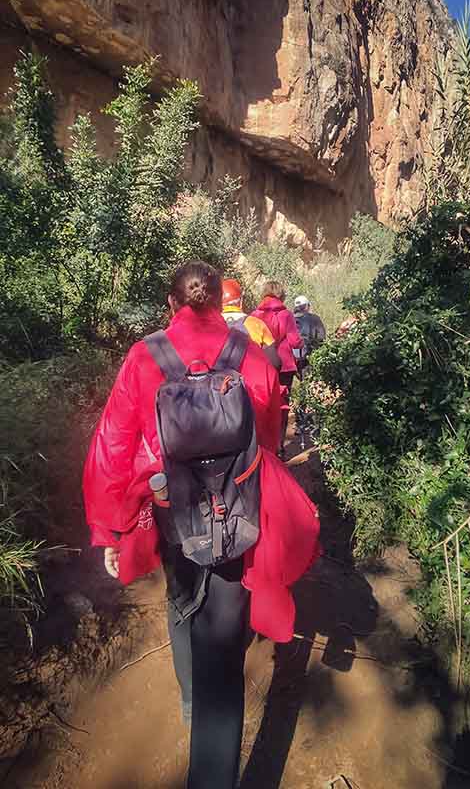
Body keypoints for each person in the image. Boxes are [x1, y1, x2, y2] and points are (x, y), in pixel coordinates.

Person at [83, 262, 282, 789]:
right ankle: (215, 753)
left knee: (182, 601)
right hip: (236, 510)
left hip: (172, 511)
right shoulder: (248, 353)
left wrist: (112, 528)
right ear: (220, 301)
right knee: (227, 623)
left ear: (171, 304)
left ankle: (193, 703)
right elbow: (268, 432)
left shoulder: (144, 356)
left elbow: (113, 444)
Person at [251, 281, 303, 457]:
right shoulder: (287, 315)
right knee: (282, 405)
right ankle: (279, 446)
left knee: (262, 402)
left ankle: (262, 446)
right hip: (285, 365)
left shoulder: (255, 315)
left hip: (262, 364)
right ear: (281, 295)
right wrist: (301, 344)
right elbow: (295, 341)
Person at [221, 278, 281, 370]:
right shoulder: (256, 324)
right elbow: (275, 362)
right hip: (250, 377)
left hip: (217, 378)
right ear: (241, 301)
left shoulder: (208, 325)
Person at [293, 295, 326, 373]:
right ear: (307, 306)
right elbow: (321, 338)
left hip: (294, 359)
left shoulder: (289, 319)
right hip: (310, 357)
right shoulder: (315, 319)